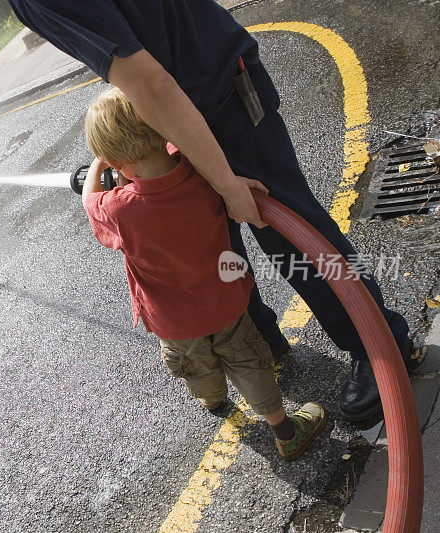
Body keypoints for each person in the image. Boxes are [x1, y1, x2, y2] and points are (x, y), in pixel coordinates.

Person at [8, 0, 416, 421]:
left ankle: (379, 346)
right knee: (214, 240)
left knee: (294, 234)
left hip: (216, 96)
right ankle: (258, 339)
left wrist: (225, 182)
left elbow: (150, 84)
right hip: (190, 103)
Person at [82, 87, 326, 459]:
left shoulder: (118, 208)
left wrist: (98, 166)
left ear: (117, 161)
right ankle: (286, 431)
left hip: (173, 323)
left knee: (195, 367)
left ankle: (213, 400)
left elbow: (89, 202)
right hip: (225, 304)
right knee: (249, 363)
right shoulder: (202, 174)